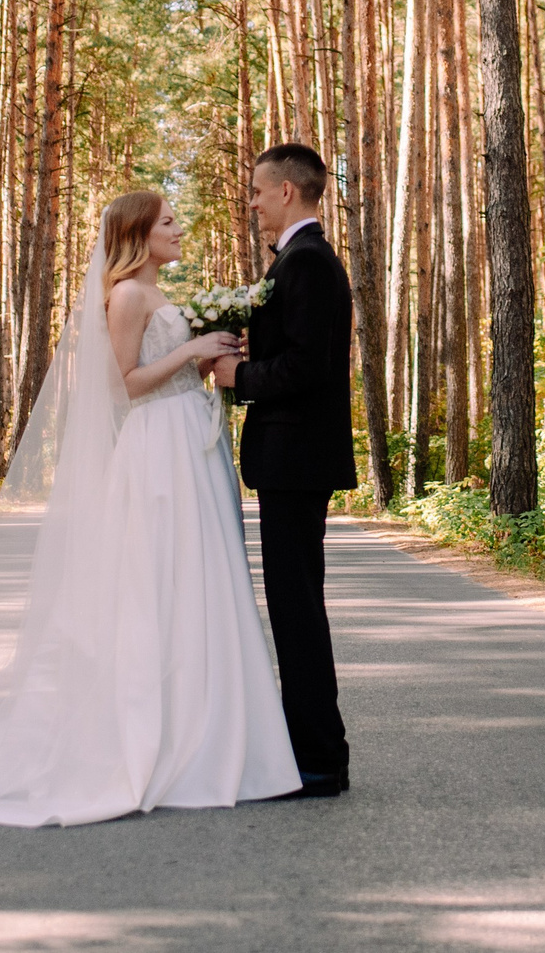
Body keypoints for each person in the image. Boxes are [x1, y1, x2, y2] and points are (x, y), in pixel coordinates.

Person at [0, 190, 300, 826]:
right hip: (155, 448)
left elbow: (165, 374)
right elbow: (122, 386)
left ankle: (208, 728)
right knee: (156, 579)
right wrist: (192, 352)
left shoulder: (158, 293)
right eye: (167, 222)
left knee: (195, 579)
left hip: (186, 443)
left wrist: (209, 361)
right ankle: (157, 733)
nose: (178, 229)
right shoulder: (128, 295)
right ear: (138, 234)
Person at [209, 142, 354, 797]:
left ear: (287, 191)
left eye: (258, 191)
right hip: (293, 459)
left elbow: (307, 367)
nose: (253, 203)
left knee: (297, 611)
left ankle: (319, 759)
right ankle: (312, 753)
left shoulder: (309, 262)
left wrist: (240, 375)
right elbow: (294, 347)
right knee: (295, 607)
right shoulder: (298, 261)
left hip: (297, 458)